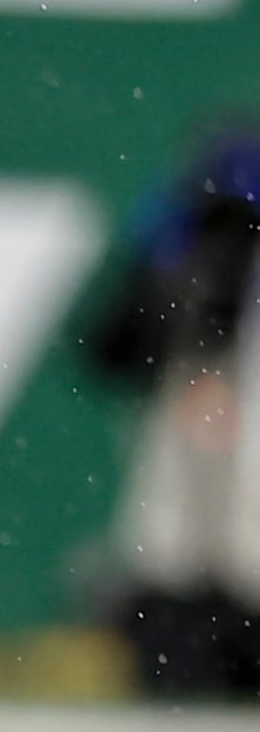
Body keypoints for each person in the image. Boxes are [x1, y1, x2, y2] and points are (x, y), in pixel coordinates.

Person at [79, 124, 260, 694]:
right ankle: (185, 665)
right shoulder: (182, 232)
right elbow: (115, 342)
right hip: (196, 393)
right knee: (179, 539)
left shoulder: (183, 228)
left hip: (213, 394)